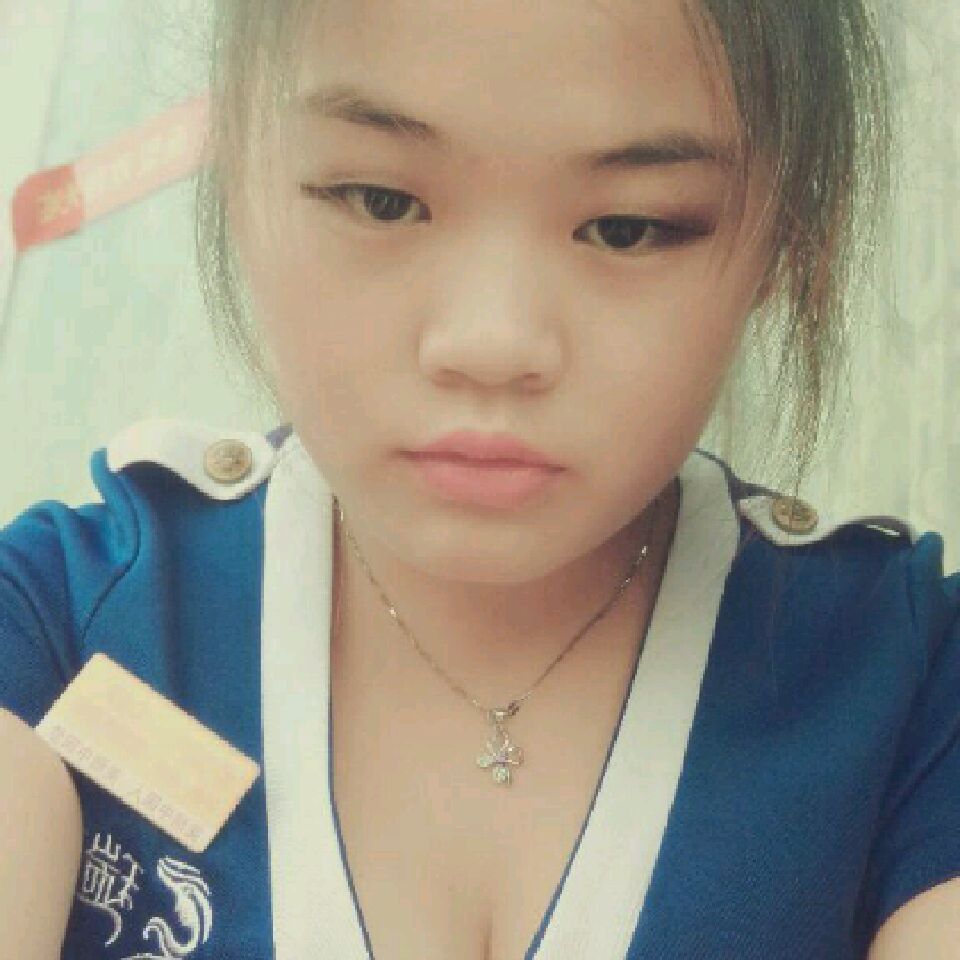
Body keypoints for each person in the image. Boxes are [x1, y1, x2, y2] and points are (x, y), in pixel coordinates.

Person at [1, 0, 958, 958]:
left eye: (627, 228)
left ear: (792, 240)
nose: (491, 343)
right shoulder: (59, 626)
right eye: (381, 200)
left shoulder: (910, 690)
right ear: (240, 175)